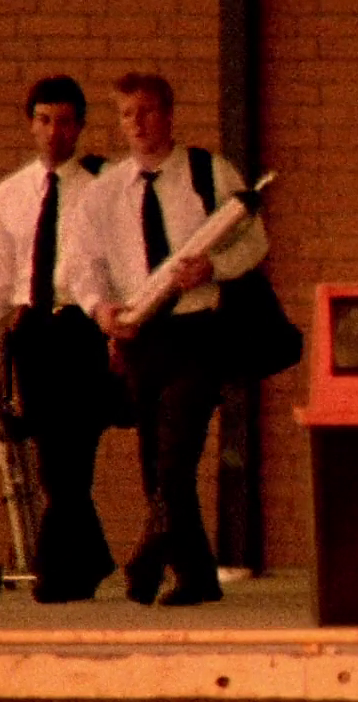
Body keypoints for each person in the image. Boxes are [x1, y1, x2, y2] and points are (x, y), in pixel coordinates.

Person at [62, 72, 267, 606]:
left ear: (169, 115)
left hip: (197, 331)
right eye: (127, 114)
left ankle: (146, 555)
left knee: (176, 454)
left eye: (148, 111)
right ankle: (196, 575)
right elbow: (81, 266)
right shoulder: (104, 191)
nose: (138, 124)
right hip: (140, 333)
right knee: (156, 461)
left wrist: (215, 268)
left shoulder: (207, 172)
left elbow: (255, 243)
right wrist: (101, 310)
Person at [0, 75, 118, 603]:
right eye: (43, 120)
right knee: (50, 454)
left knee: (72, 452)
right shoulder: (9, 195)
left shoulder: (104, 188)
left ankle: (55, 573)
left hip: (82, 328)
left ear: (79, 127)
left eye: (64, 122)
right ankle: (90, 560)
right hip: (33, 330)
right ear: (31, 124)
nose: (54, 132)